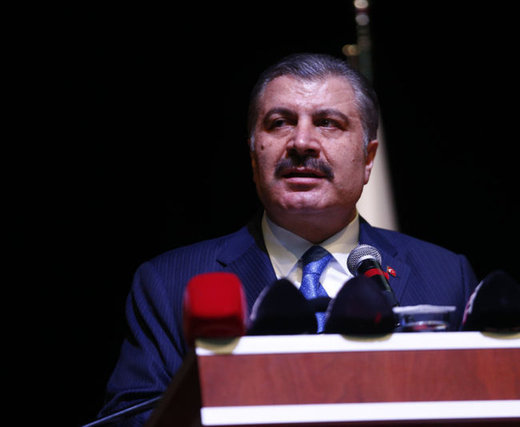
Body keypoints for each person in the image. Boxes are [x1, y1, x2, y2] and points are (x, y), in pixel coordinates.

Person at [95, 53, 477, 424]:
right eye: (280, 123)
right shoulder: (169, 284)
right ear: (253, 156)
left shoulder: (446, 277)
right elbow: (131, 418)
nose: (302, 142)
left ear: (367, 159)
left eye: (328, 123)